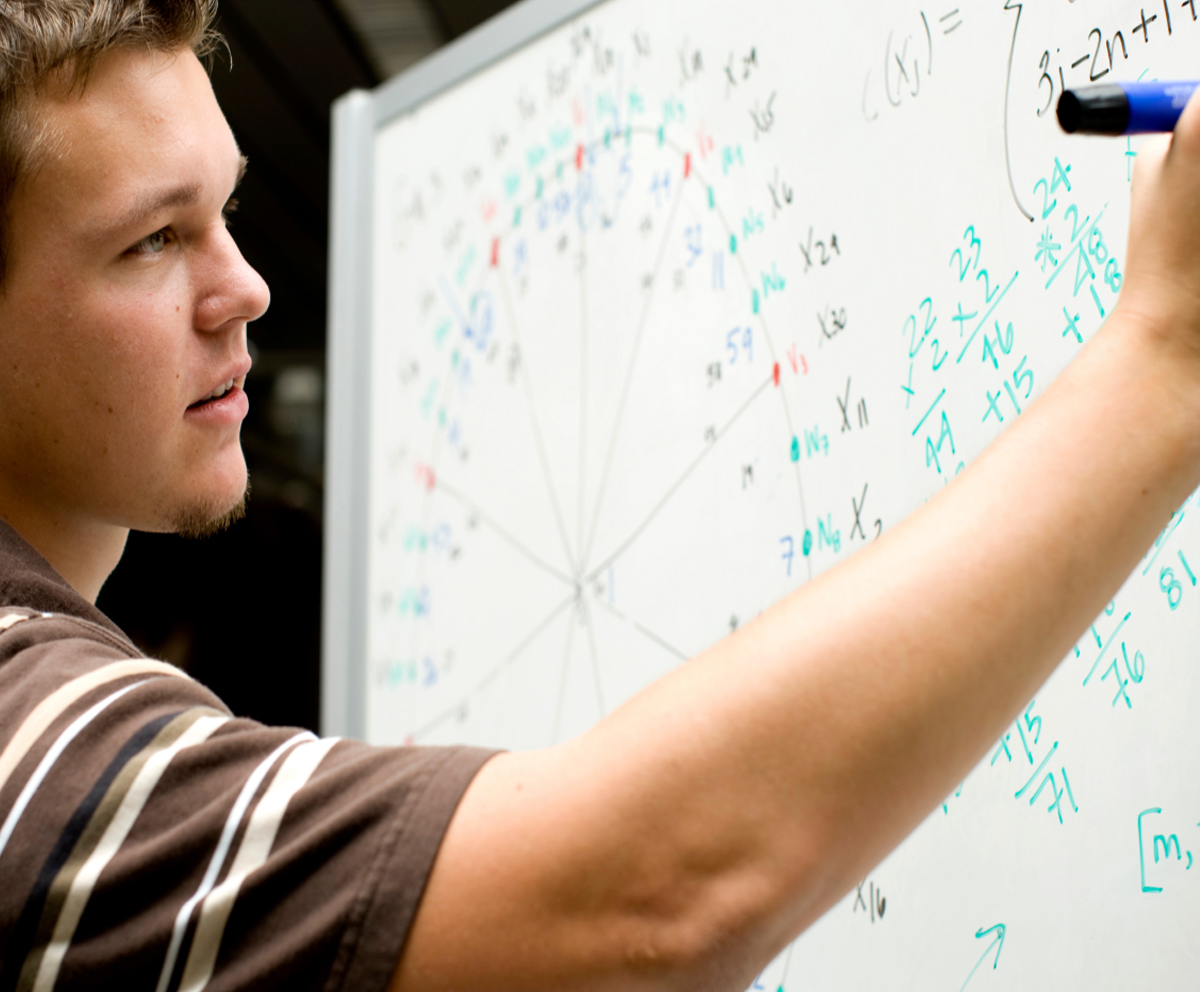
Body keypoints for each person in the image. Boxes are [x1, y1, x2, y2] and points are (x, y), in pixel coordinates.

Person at [0, 1, 1197, 990]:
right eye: (154, 240)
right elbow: (648, 901)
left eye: (224, 213)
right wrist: (1166, 362)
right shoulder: (28, 737)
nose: (246, 286)